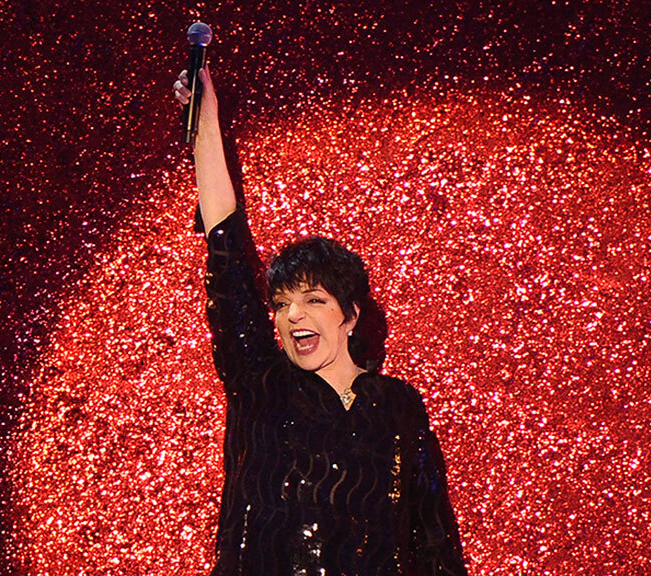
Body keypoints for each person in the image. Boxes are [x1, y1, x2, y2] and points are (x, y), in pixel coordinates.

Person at [174, 63, 469, 576]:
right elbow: (227, 254)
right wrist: (206, 124)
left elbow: (431, 532)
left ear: (349, 315)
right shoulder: (260, 384)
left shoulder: (397, 405)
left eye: (312, 300)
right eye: (281, 303)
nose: (293, 315)